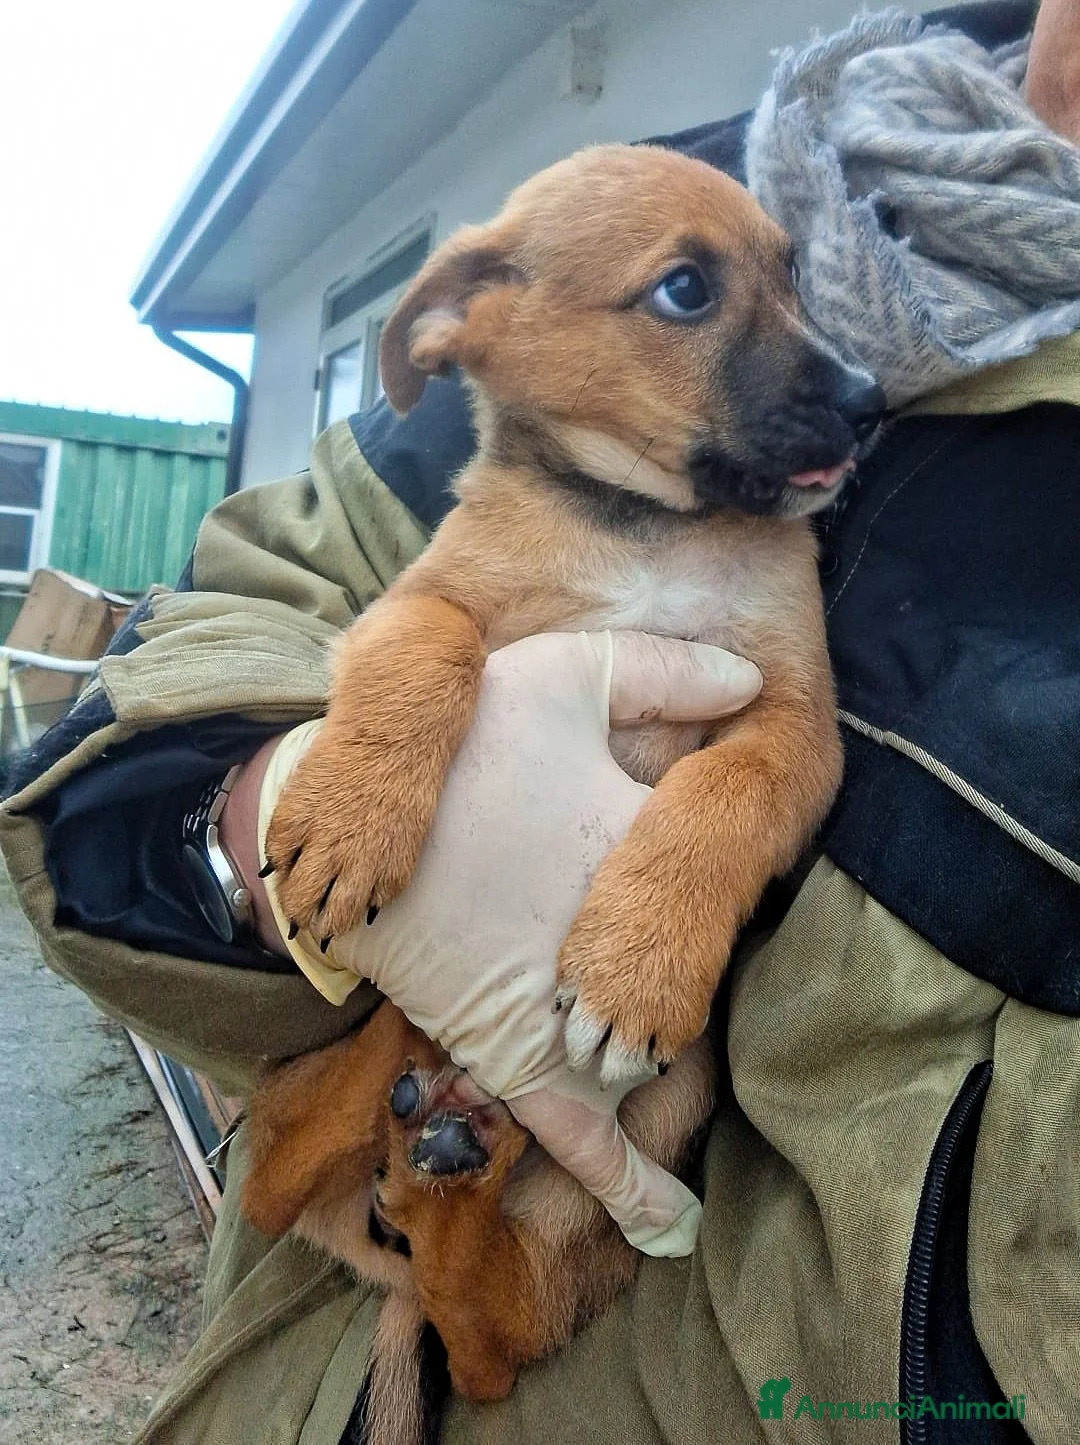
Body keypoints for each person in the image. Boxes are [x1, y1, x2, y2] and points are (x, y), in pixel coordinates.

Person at [3, 0, 1078, 1440]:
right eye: (701, 294)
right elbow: (383, 615)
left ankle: (464, 1262)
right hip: (299, 1329)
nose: (825, 366)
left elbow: (786, 745)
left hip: (684, 1276)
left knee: (636, 1129)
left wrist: (683, 871)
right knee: (319, 1124)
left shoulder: (760, 532)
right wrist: (268, 803)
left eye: (776, 288)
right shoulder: (671, 233)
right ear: (466, 324)